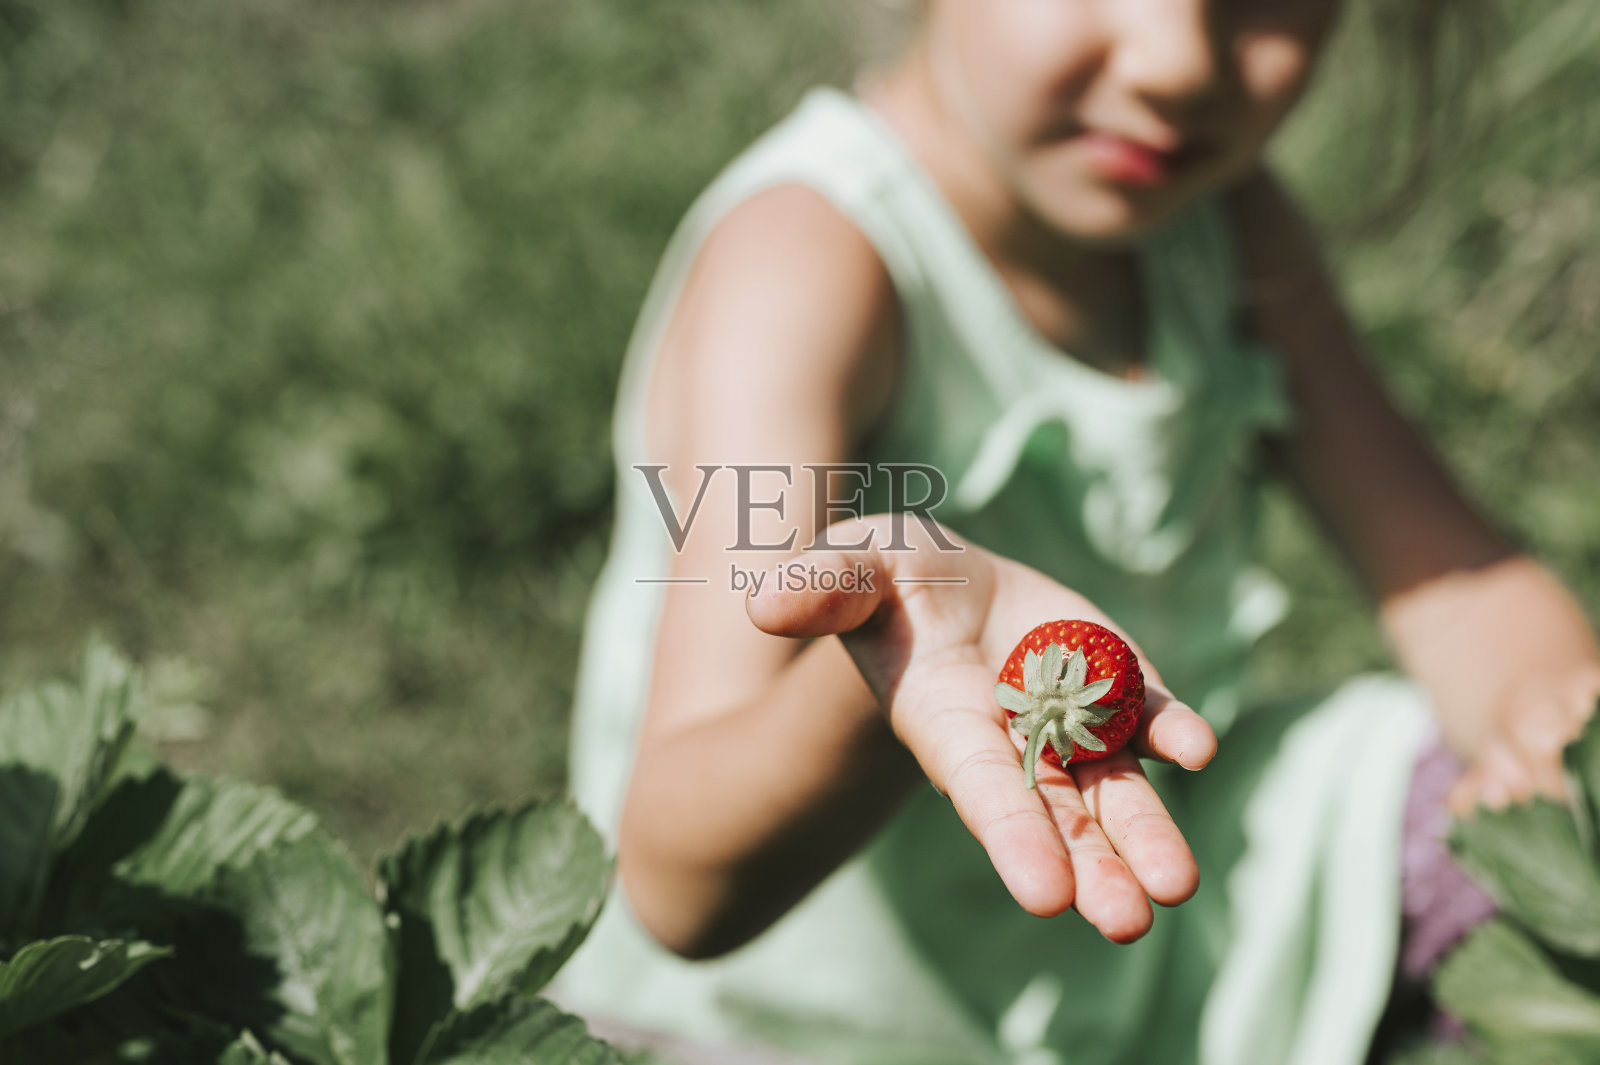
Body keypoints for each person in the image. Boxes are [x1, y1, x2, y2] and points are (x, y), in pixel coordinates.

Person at [553, 2, 1600, 1063]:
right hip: (812, 1024)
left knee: (1444, 790)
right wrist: (885, 665)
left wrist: (1553, 740)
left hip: (1132, 939)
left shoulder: (1228, 229)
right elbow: (678, 885)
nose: (1178, 63)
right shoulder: (805, 268)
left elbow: (1455, 582)